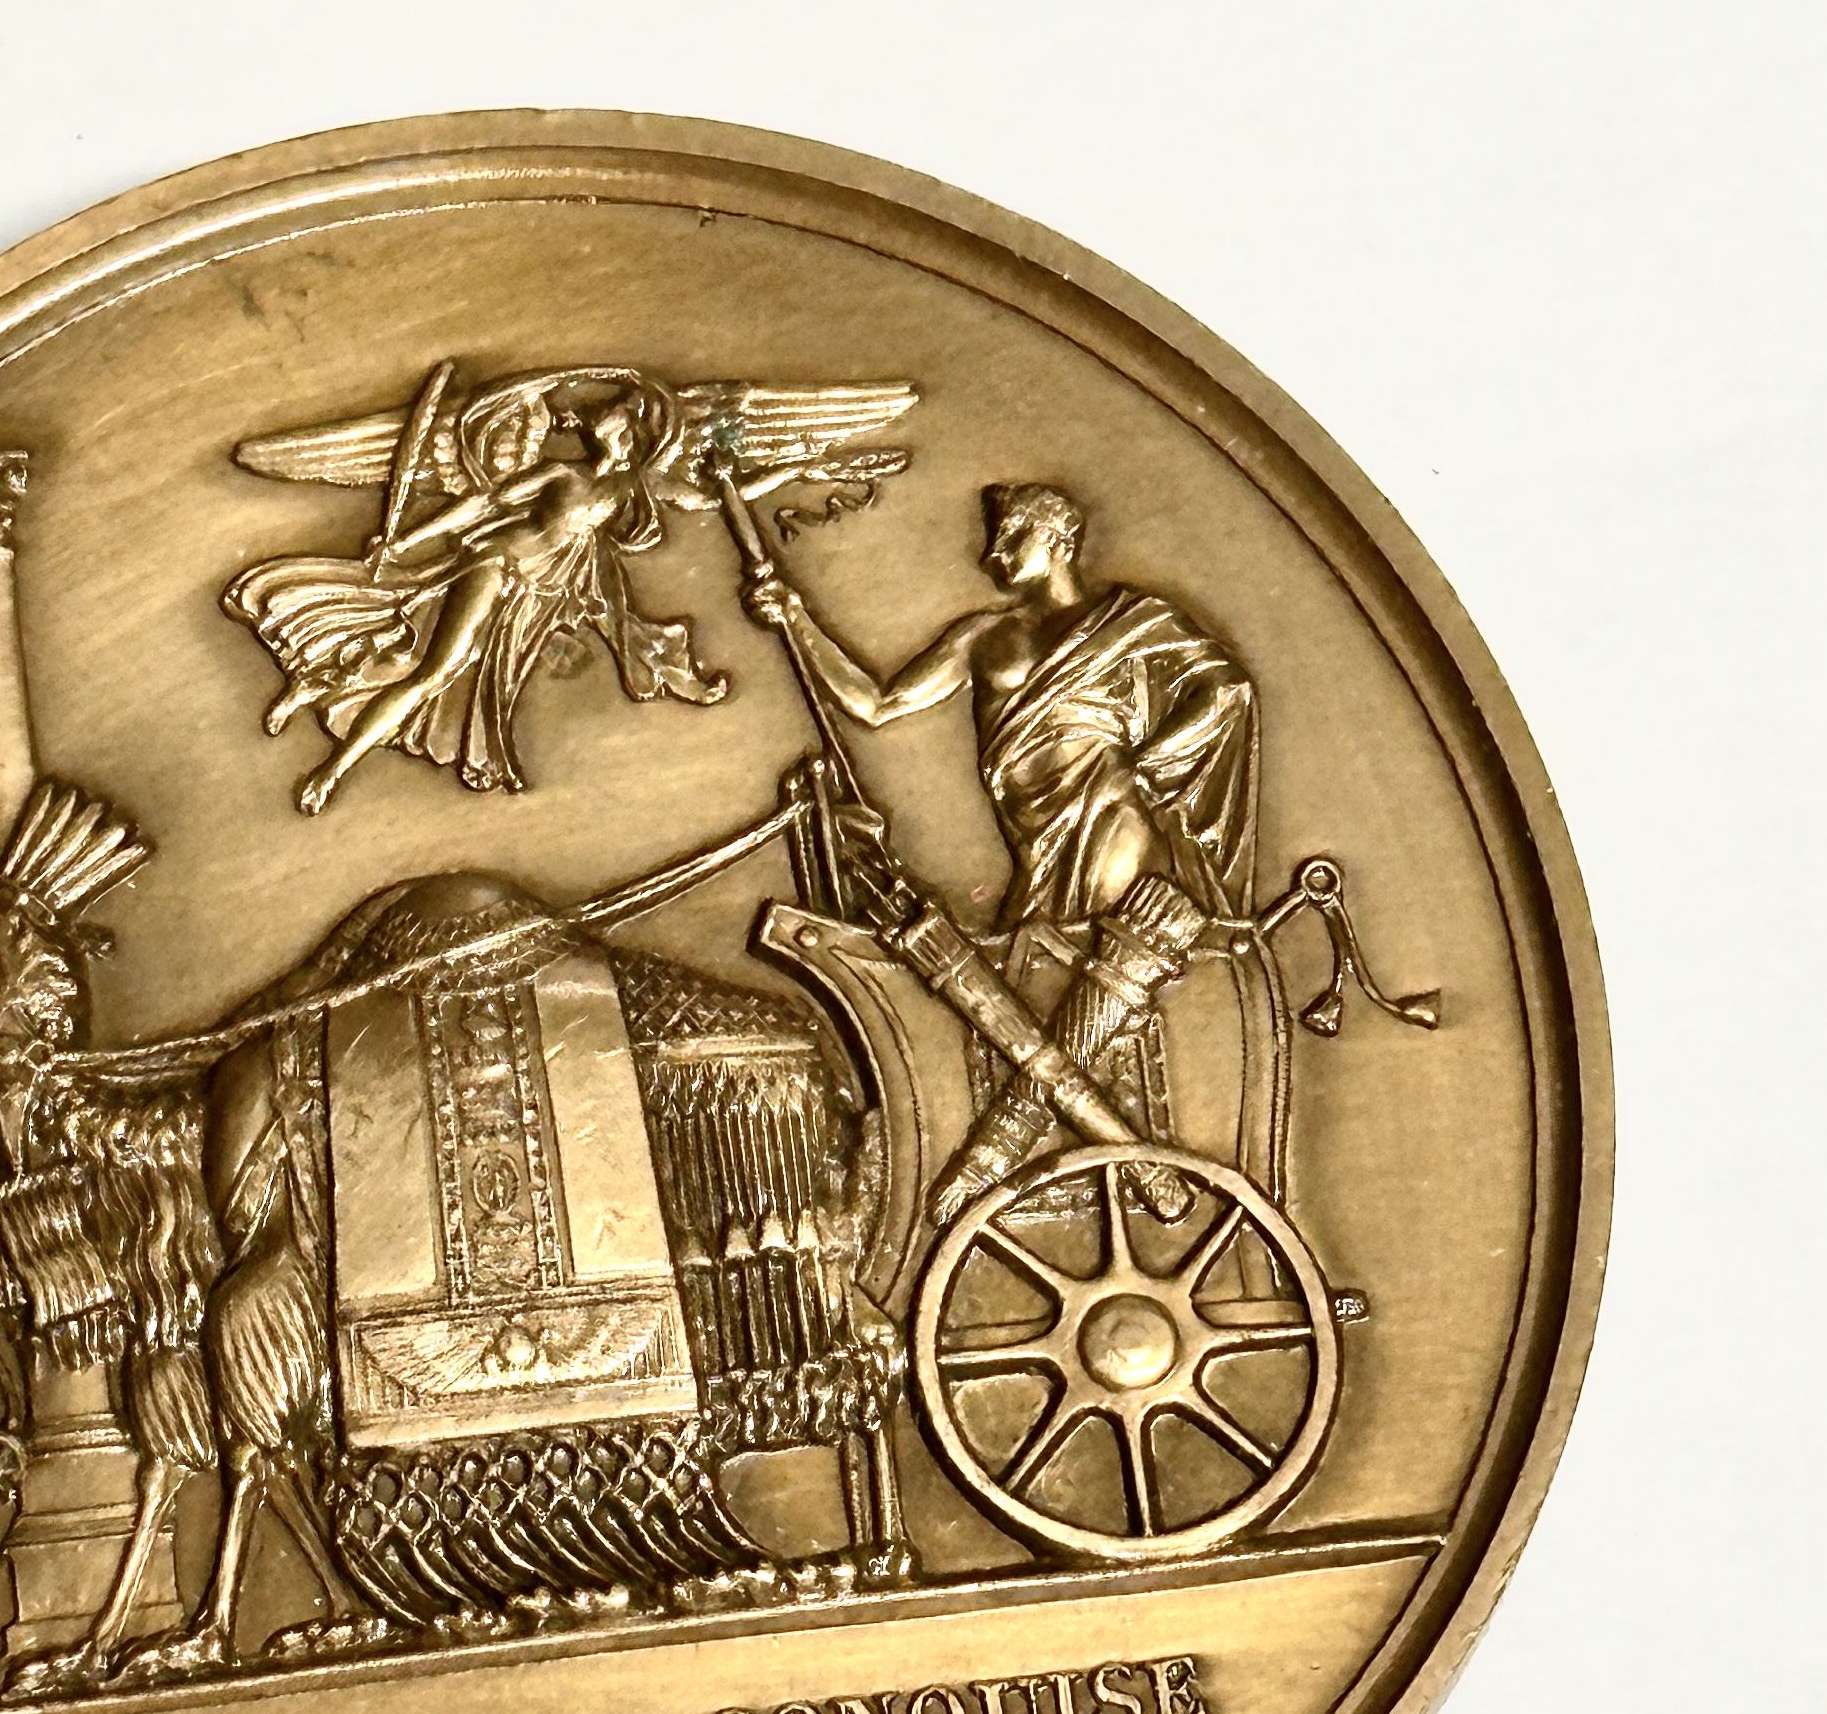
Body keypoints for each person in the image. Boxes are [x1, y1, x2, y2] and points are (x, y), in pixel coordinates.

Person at [750, 482, 1256, 1213]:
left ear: (1059, 538)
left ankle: (1071, 1158)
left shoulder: (1136, 622)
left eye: (1012, 534)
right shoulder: (983, 637)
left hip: (1112, 821)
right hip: (1035, 844)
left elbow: (1226, 691)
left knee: (1102, 987)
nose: (993, 553)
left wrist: (1145, 767)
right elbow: (875, 703)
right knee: (1042, 986)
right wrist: (795, 619)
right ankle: (1086, 1156)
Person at [234, 395, 726, 813]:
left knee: (430, 665)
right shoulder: (561, 472)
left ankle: (319, 685)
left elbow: (705, 499)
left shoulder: (633, 484)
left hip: (533, 596)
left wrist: (739, 474)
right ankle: (331, 771)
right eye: (610, 409)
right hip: (498, 565)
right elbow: (485, 504)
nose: (607, 415)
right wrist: (406, 542)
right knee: (436, 671)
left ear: (631, 434)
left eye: (620, 412)